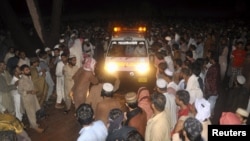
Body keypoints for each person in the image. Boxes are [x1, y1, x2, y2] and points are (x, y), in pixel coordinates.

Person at [17, 64, 45, 133]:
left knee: (33, 111)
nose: (29, 70)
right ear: (22, 72)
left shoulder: (28, 77)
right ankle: (35, 127)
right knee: (31, 113)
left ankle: (32, 124)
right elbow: (19, 91)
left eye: (28, 69)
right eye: (27, 70)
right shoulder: (21, 80)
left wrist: (34, 90)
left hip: (32, 97)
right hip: (27, 99)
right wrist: (29, 92)